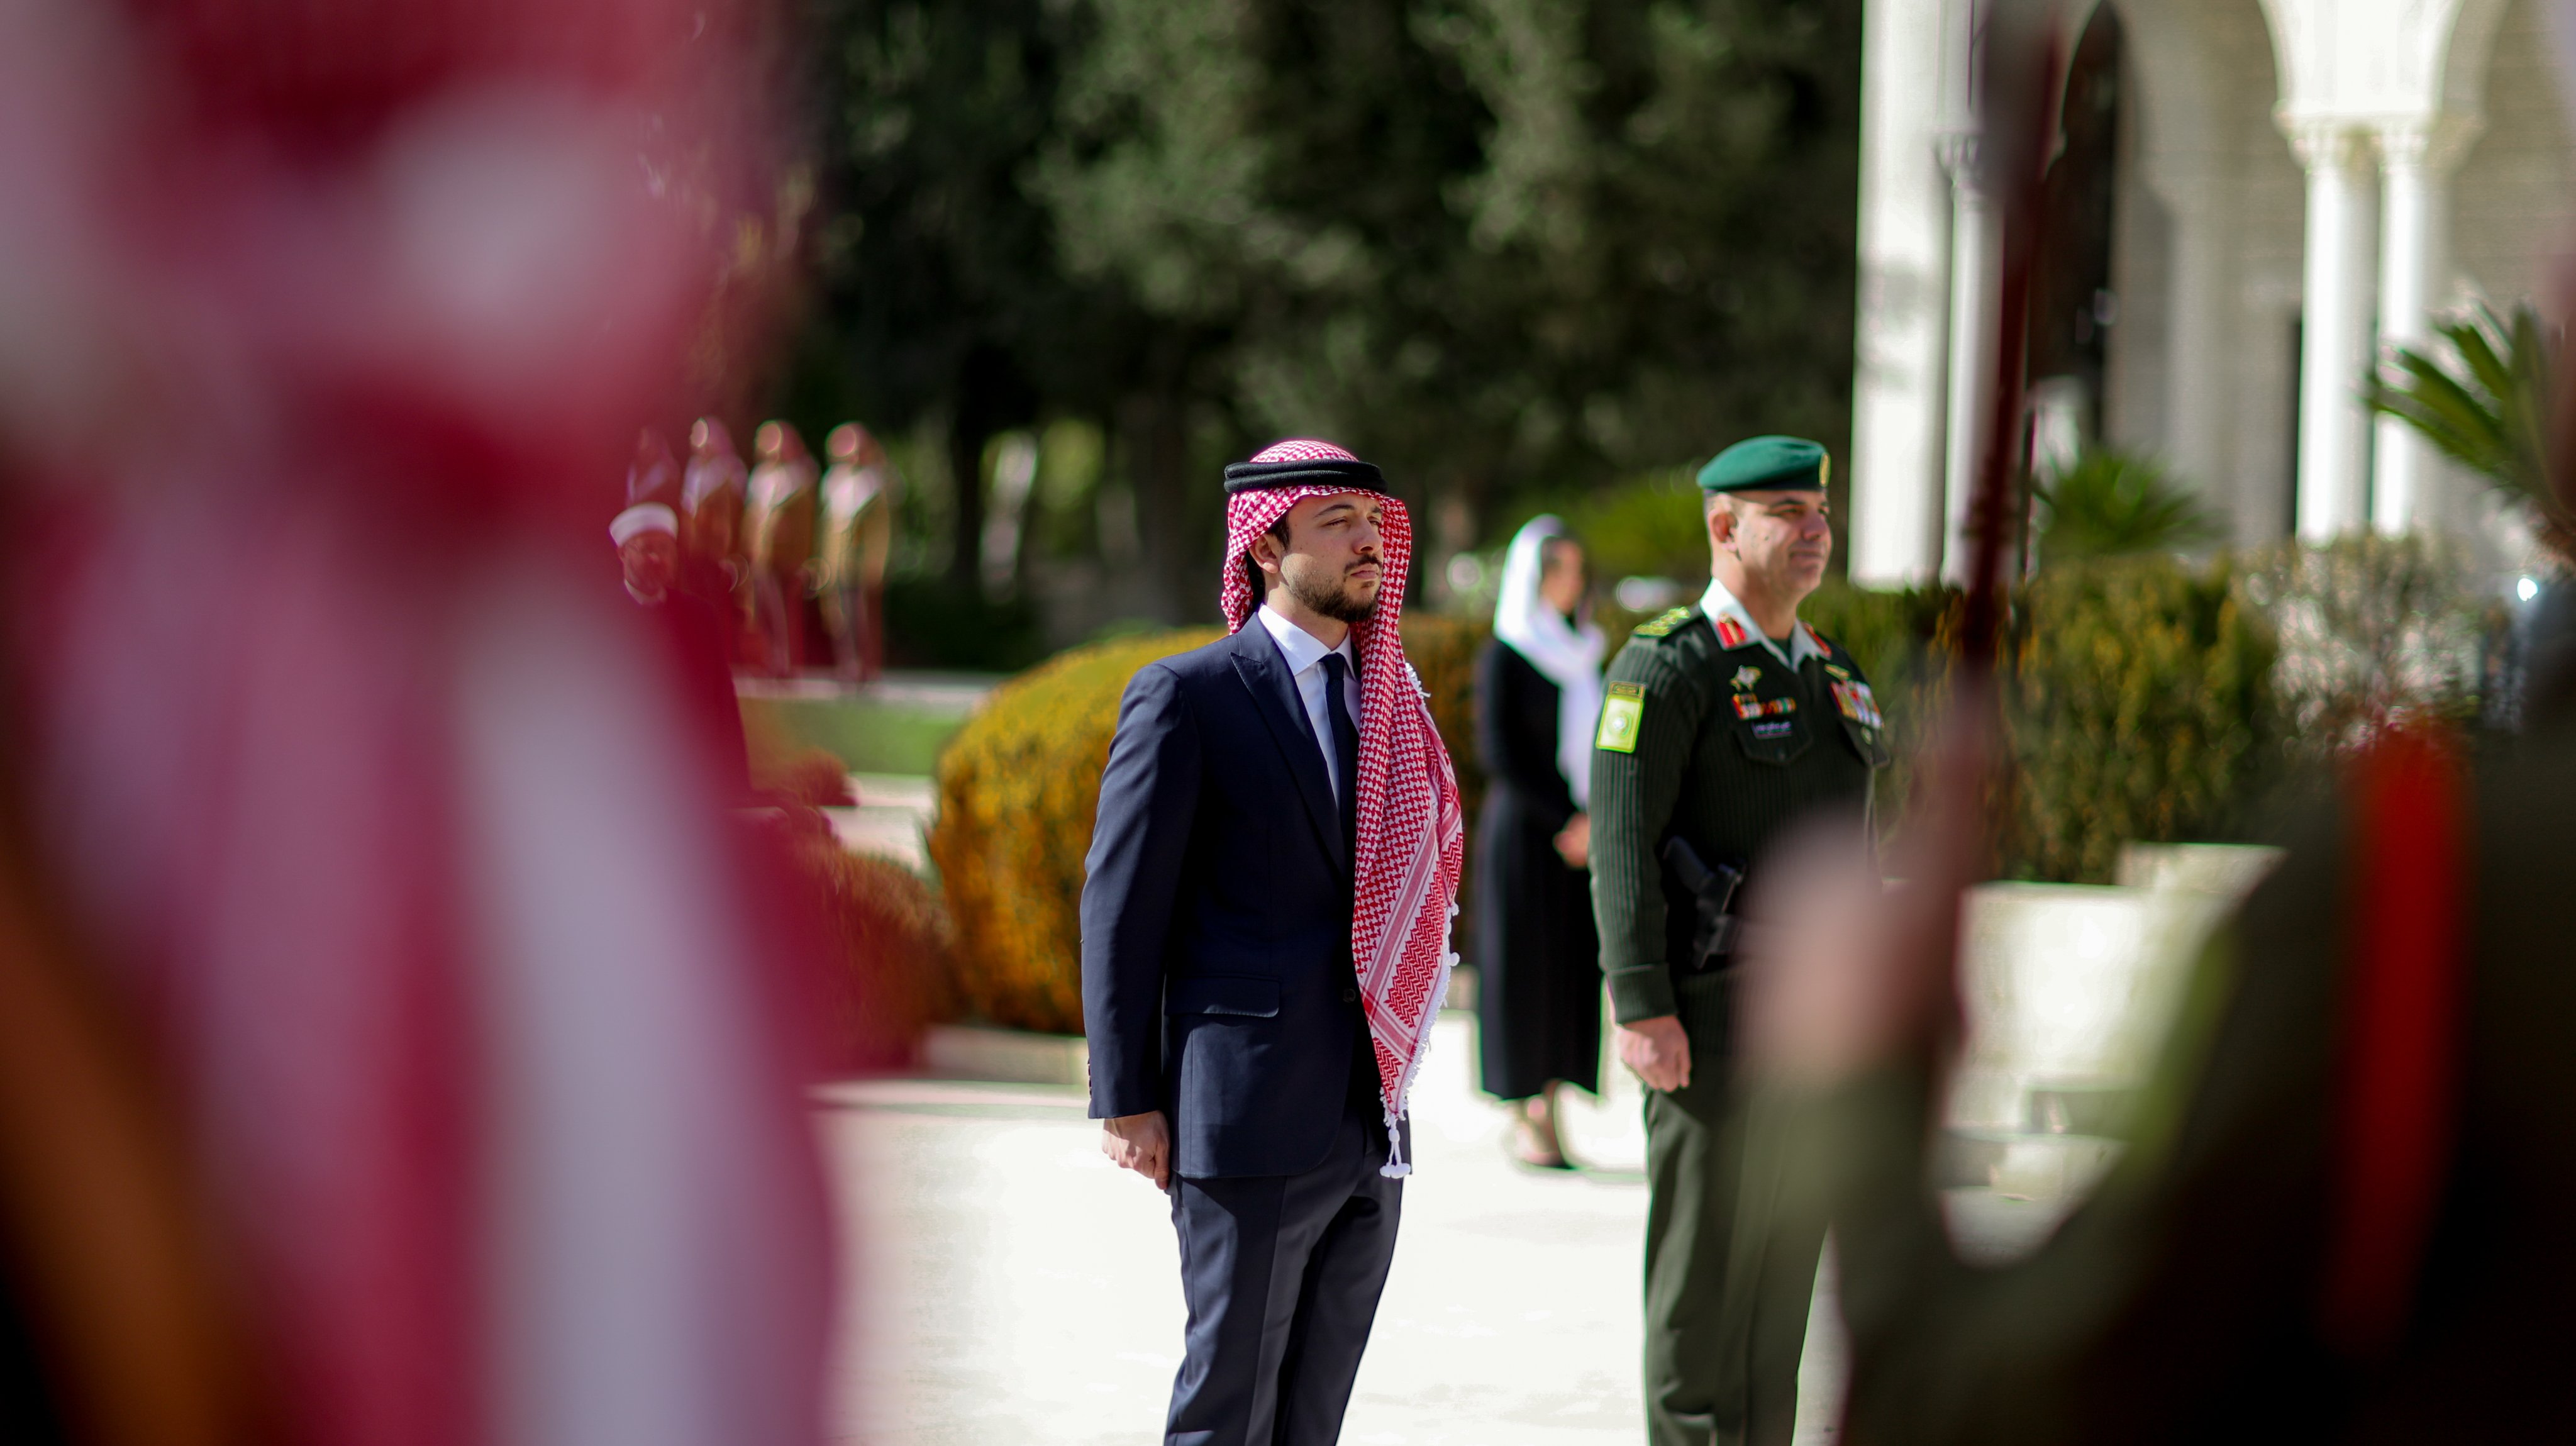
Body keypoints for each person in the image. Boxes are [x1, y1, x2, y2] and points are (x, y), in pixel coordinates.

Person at [1081, 438, 1465, 1446]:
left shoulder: (1392, 701)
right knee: (1228, 1408)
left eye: (1374, 523)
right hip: (1246, 1114)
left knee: (1313, 1417)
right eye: (1338, 522)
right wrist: (1125, 1094)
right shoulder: (1189, 695)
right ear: (1264, 545)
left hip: (1371, 1121)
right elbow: (1122, 907)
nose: (1367, 541)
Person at [1589, 435, 1890, 1446]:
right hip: (1710, 1015)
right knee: (1703, 1281)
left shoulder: (1833, 670)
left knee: (1780, 1286)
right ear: (1724, 525)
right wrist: (1642, 1002)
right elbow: (1622, 844)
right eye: (1787, 513)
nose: (1815, 531)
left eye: (1820, 512)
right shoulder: (1669, 665)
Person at [1475, 516, 1606, 1168]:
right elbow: (1499, 752)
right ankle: (1524, 1112)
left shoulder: (1585, 652)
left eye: (1577, 569)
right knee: (1523, 971)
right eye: (1559, 568)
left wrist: (1593, 819)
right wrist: (1563, 818)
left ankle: (1552, 1104)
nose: (1571, 581)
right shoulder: (1506, 653)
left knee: (1567, 971)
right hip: (1528, 834)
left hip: (1578, 837)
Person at [614, 502, 751, 798]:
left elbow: (723, 705)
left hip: (690, 780)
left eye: (665, 549)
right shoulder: (601, 617)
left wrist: (736, 785)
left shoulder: (698, 616)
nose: (656, 559)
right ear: (623, 553)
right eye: (647, 549)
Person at [816, 423, 896, 682]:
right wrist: (823, 560)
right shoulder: (833, 483)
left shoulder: (874, 483)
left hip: (862, 563)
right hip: (837, 561)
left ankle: (866, 665)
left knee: (862, 616)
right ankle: (846, 663)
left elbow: (881, 531)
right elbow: (828, 527)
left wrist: (877, 564)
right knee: (840, 616)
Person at [743, 420, 818, 677]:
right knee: (763, 609)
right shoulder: (760, 477)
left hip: (787, 556)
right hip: (762, 555)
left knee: (785, 612)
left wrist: (804, 557)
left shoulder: (801, 476)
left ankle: (787, 662)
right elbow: (752, 517)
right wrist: (748, 549)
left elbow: (805, 522)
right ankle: (767, 660)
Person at [683, 416, 752, 655]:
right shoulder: (694, 469)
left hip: (720, 548)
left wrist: (728, 547)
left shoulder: (730, 470)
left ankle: (725, 649)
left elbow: (733, 514)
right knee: (698, 596)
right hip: (697, 547)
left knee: (721, 598)